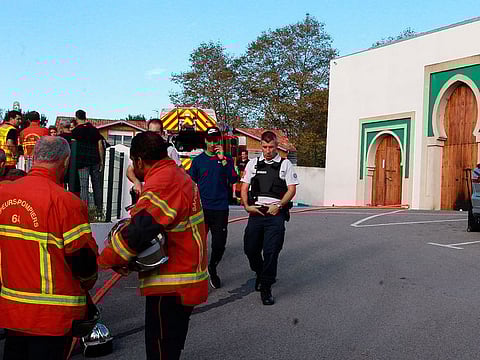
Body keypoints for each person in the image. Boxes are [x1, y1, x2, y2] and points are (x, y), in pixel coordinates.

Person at [98, 131, 208, 360]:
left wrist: (106, 260)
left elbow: (141, 229)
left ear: (139, 161)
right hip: (182, 279)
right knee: (170, 347)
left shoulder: (164, 182)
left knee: (160, 350)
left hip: (172, 283)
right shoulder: (175, 175)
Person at [0, 136, 99, 359]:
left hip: (12, 311)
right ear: (65, 162)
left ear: (33, 158)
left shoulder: (3, 195)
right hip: (52, 318)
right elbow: (83, 262)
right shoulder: (67, 203)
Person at [241, 130, 299, 305]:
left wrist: (279, 205)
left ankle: (266, 287)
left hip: (275, 212)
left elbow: (291, 189)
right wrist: (246, 206)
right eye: (265, 147)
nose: (268, 150)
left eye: (271, 147)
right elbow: (244, 187)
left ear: (276, 146)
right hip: (256, 211)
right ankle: (260, 273)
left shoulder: (285, 164)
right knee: (250, 249)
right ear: (261, 146)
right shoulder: (253, 164)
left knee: (271, 252)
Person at [188, 126, 239, 289]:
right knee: (197, 244)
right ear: (205, 141)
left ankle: (213, 267)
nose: (213, 143)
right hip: (202, 209)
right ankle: (195, 273)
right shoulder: (198, 161)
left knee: (219, 244)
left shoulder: (228, 159)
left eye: (216, 140)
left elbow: (233, 179)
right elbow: (190, 184)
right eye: (210, 140)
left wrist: (223, 159)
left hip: (220, 209)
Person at [126, 118, 181, 204]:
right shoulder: (141, 148)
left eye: (156, 133)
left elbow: (180, 172)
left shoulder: (170, 150)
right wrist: (136, 182)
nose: (153, 136)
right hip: (145, 194)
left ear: (162, 133)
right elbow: (129, 170)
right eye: (150, 132)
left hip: (162, 197)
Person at [72, 109, 106, 214]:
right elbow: (100, 145)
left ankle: (84, 210)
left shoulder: (75, 131)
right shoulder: (95, 130)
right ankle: (99, 210)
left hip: (82, 163)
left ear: (76, 118)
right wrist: (101, 161)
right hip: (95, 161)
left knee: (84, 187)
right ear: (85, 117)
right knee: (97, 186)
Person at [58, 118, 81, 196]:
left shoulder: (59, 138)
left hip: (63, 165)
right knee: (74, 188)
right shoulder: (76, 136)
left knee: (62, 186)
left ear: (61, 126)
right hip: (75, 164)